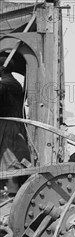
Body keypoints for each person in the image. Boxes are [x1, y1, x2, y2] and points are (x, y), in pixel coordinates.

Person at [0, 62, 30, 195]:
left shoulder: (6, 85)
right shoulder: (13, 84)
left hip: (8, 130)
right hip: (15, 128)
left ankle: (12, 198)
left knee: (10, 166)